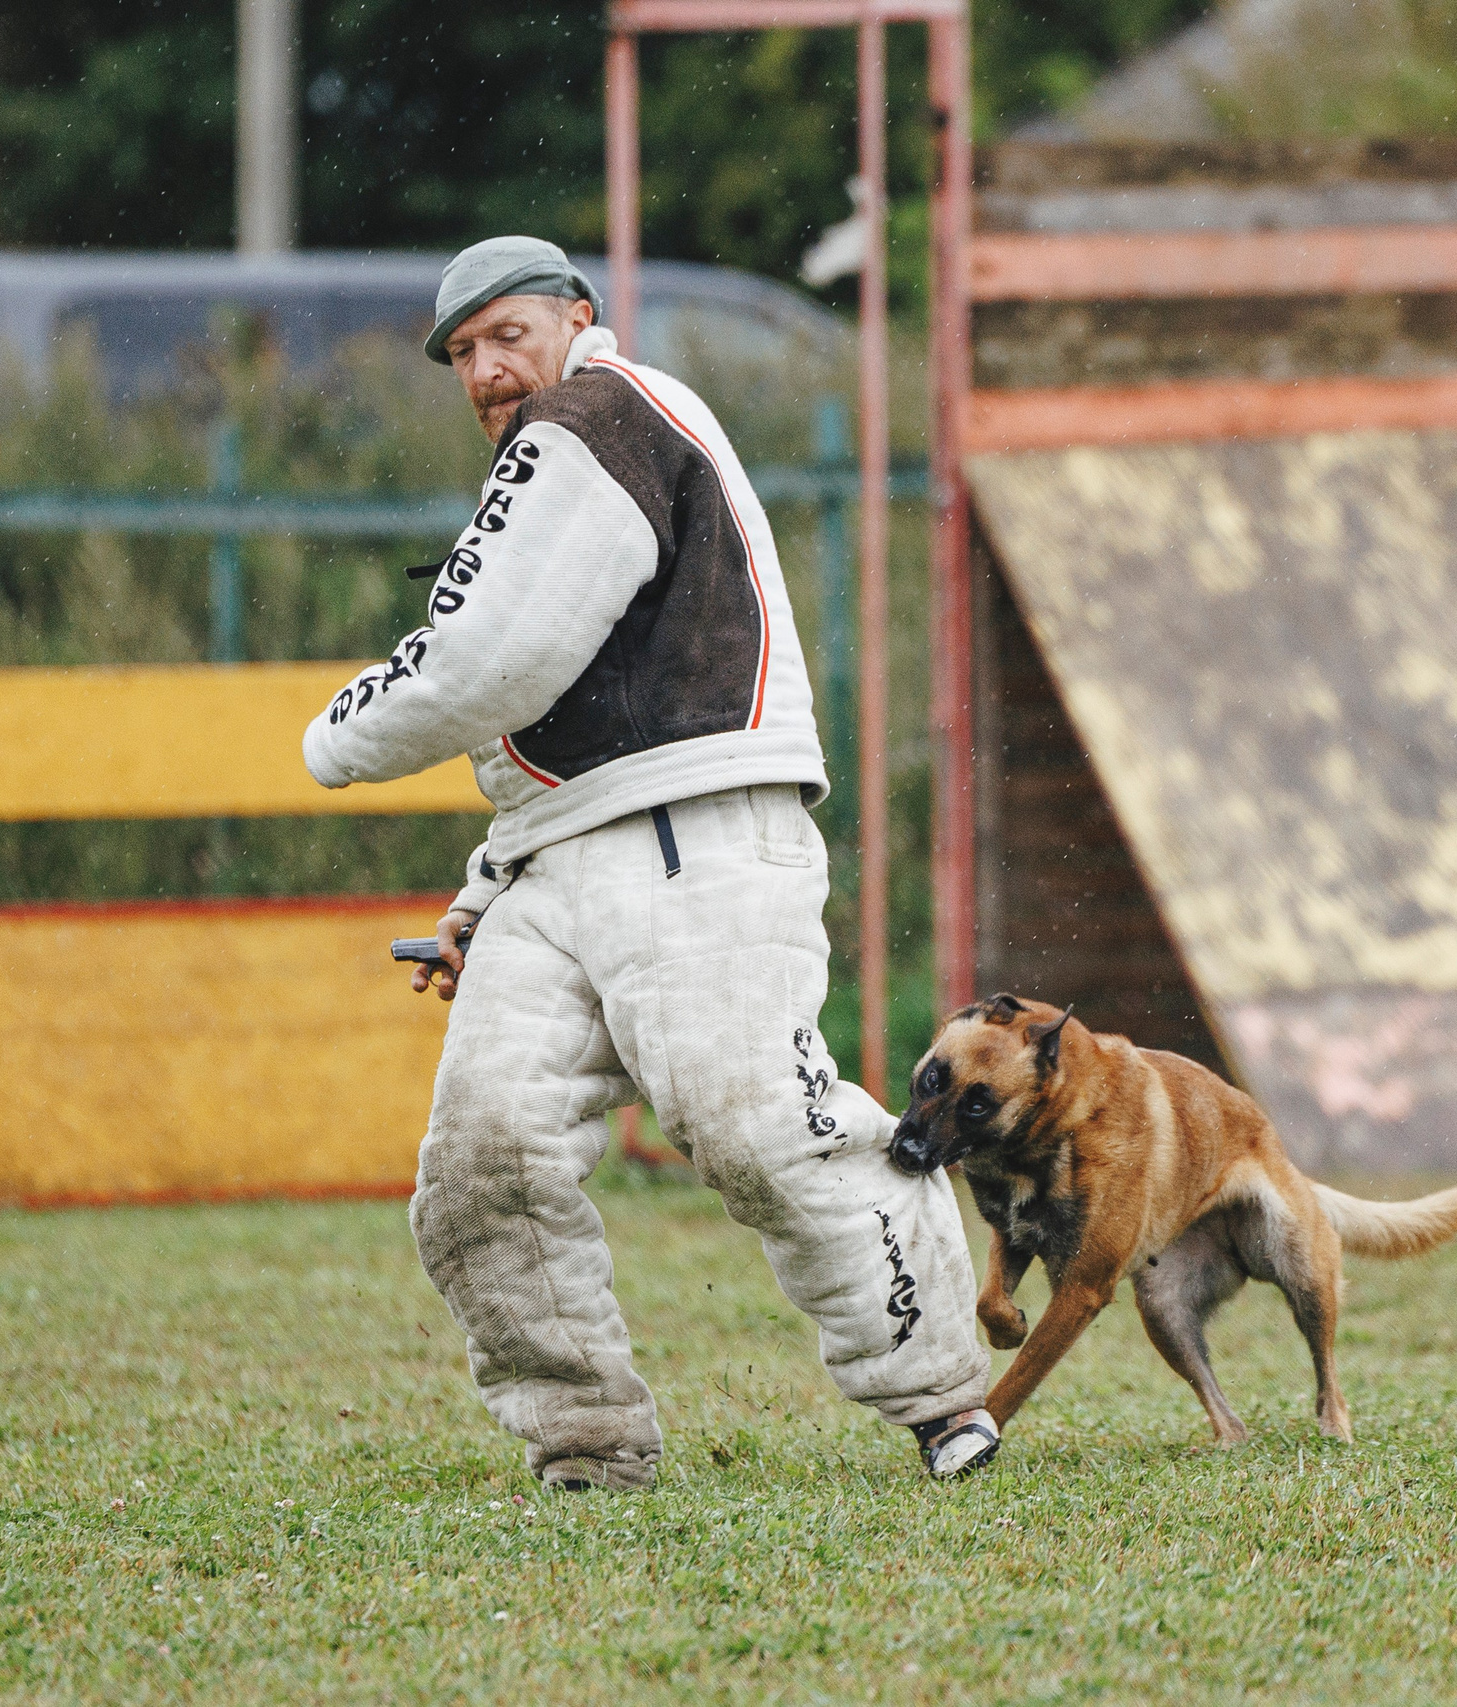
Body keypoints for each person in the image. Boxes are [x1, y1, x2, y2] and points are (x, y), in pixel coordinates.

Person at [302, 237, 998, 1485]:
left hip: (699, 833)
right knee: (482, 1163)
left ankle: (944, 1392)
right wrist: (479, 893)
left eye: (506, 334)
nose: (485, 370)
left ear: (578, 317)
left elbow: (487, 662)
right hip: (556, 864)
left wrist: (335, 734)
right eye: (462, 354)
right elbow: (549, 718)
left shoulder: (602, 414)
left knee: (755, 1129)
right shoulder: (560, 455)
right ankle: (584, 1436)